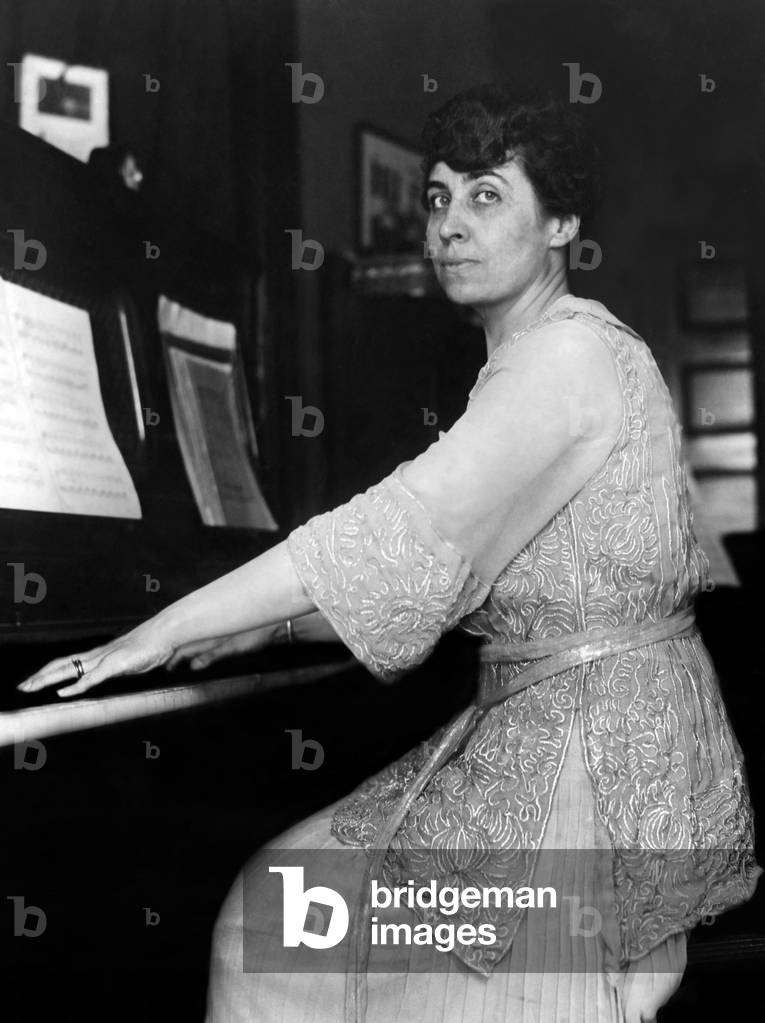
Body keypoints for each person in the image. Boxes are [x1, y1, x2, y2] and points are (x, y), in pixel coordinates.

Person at [20, 85, 761, 1023]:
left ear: (561, 223)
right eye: (438, 196)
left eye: (485, 195)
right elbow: (448, 569)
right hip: (601, 732)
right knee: (277, 916)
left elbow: (405, 529)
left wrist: (161, 629)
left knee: (274, 924)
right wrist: (262, 628)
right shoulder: (560, 349)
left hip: (591, 771)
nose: (447, 223)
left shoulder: (563, 357)